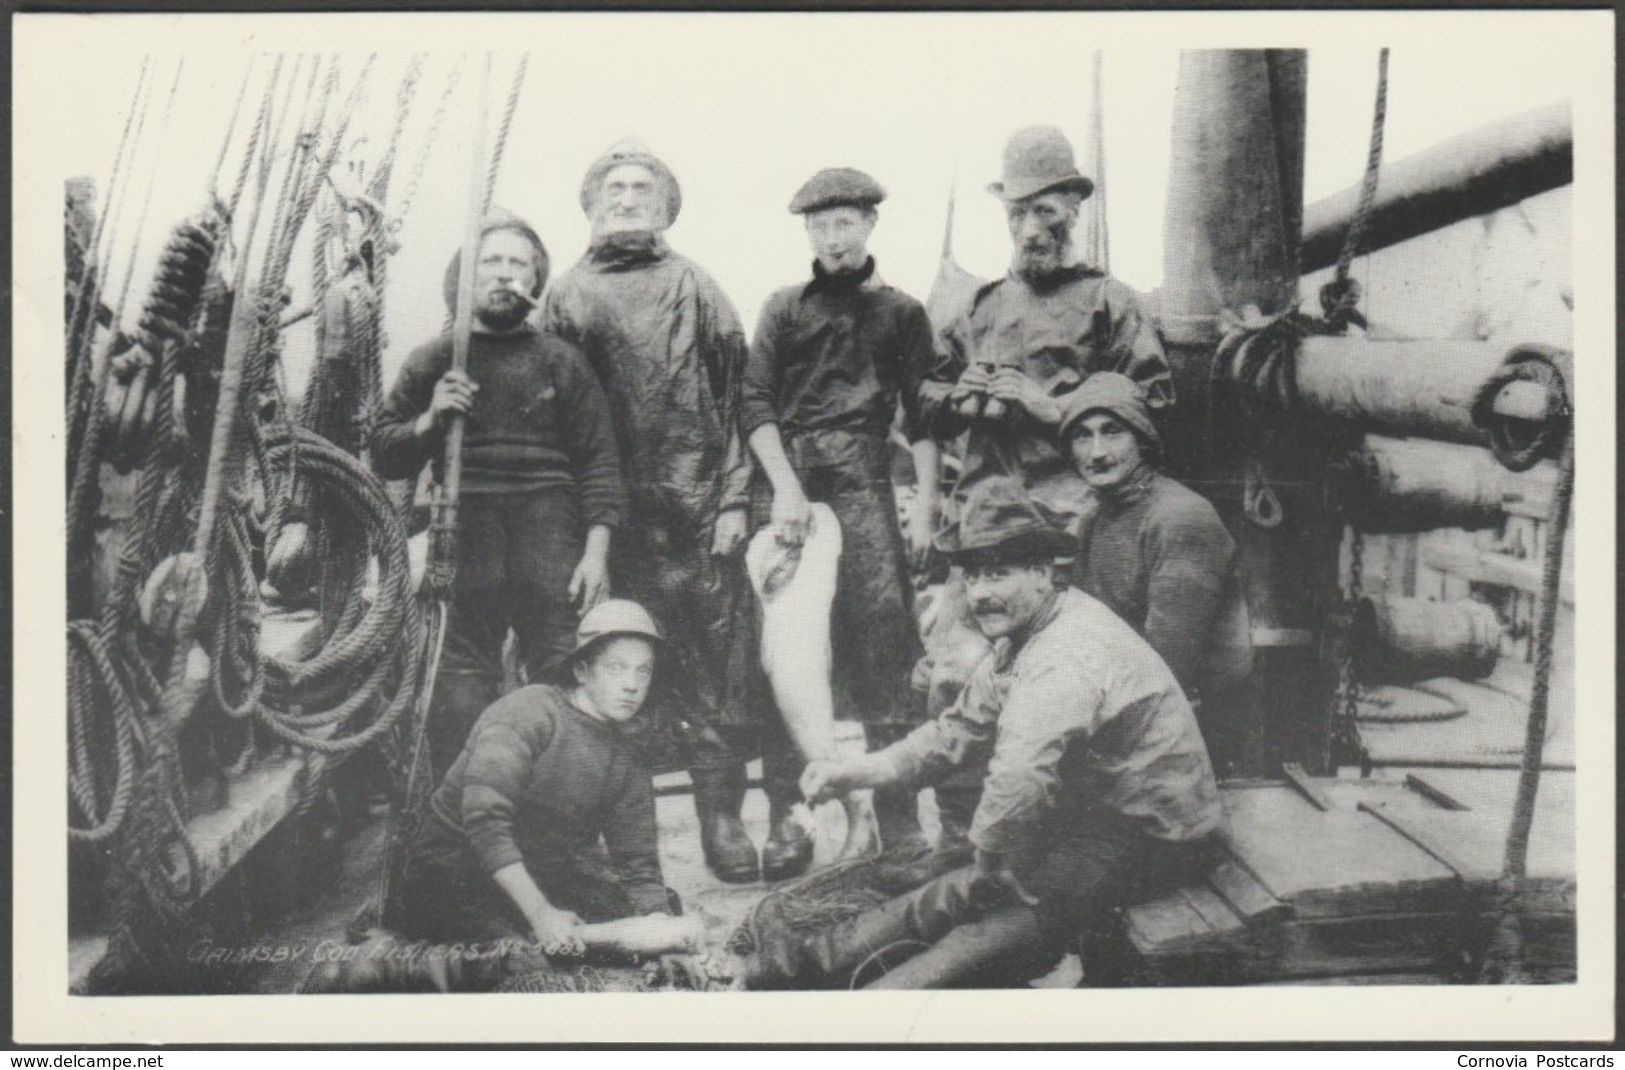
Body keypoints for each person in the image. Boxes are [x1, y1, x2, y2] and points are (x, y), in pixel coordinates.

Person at [748, 477, 1221, 989]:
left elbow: (1017, 778)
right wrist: (854, 771)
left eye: (998, 575)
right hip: (1094, 815)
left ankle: (878, 1011)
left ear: (1043, 573)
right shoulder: (1026, 632)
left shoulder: (1063, 658)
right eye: (973, 578)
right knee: (948, 892)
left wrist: (990, 863)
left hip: (1153, 836)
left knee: (983, 927)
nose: (981, 594)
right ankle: (782, 970)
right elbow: (954, 733)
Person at [910, 124, 1176, 866]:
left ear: (1071, 211)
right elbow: (922, 398)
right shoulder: (980, 306)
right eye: (1019, 214)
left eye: (1046, 213)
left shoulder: (1108, 303)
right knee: (956, 678)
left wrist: (1049, 406)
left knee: (1070, 698)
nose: (1032, 228)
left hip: (1076, 531)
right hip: (989, 533)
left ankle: (1057, 851)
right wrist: (961, 399)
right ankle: (962, 842)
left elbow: (1150, 412)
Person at [542, 139, 760, 883]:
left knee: (711, 672)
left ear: (665, 205)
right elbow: (558, 420)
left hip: (699, 513)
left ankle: (719, 821)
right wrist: (582, 530)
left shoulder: (697, 287)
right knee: (617, 676)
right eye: (615, 188)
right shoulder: (567, 296)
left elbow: (740, 397)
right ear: (593, 204)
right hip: (614, 521)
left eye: (642, 188)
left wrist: (733, 497)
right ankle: (622, 843)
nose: (627, 199)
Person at [372, 210, 625, 775]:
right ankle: (468, 828)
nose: (505, 275)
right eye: (492, 262)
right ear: (465, 278)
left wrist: (596, 553)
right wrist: (431, 418)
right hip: (466, 539)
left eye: (519, 264)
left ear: (536, 282)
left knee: (569, 685)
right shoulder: (437, 359)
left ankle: (568, 829)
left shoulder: (562, 361)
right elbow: (385, 448)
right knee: (459, 698)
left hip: (550, 542)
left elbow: (600, 465)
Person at [741, 167, 937, 878]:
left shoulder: (902, 313)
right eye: (819, 225)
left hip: (864, 484)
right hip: (790, 486)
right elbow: (755, 406)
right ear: (807, 233)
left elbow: (921, 419)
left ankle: (898, 818)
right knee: (787, 655)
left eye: (845, 222)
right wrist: (785, 491)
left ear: (869, 225)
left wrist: (928, 507)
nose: (832, 236)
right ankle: (797, 818)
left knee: (885, 640)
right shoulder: (782, 309)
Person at [398, 600, 674, 954]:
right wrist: (541, 914)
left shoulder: (627, 758)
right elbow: (484, 820)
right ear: (582, 670)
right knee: (519, 964)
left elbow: (639, 868)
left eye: (643, 671)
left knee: (651, 914)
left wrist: (664, 936)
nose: (632, 685)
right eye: (616, 668)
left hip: (537, 872)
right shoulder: (531, 711)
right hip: (453, 869)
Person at [1061, 372, 1260, 777]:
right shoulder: (1097, 518)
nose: (1096, 452)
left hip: (1190, 725)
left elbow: (1168, 662)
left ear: (1143, 440)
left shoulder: (1180, 518)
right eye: (1082, 436)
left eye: (1112, 432)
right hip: (1123, 705)